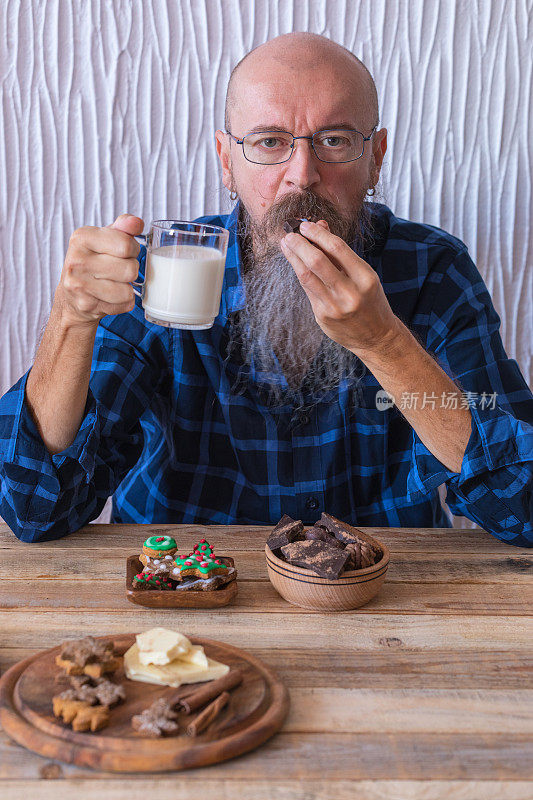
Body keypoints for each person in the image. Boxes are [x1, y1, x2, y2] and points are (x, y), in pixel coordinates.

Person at [0, 33, 531, 545]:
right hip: (184, 590)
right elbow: (34, 508)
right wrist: (71, 317)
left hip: (382, 600)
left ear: (376, 157)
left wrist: (384, 344)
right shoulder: (167, 268)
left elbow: (522, 504)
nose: (302, 175)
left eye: (335, 140)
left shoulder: (433, 271)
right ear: (227, 160)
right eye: (270, 142)